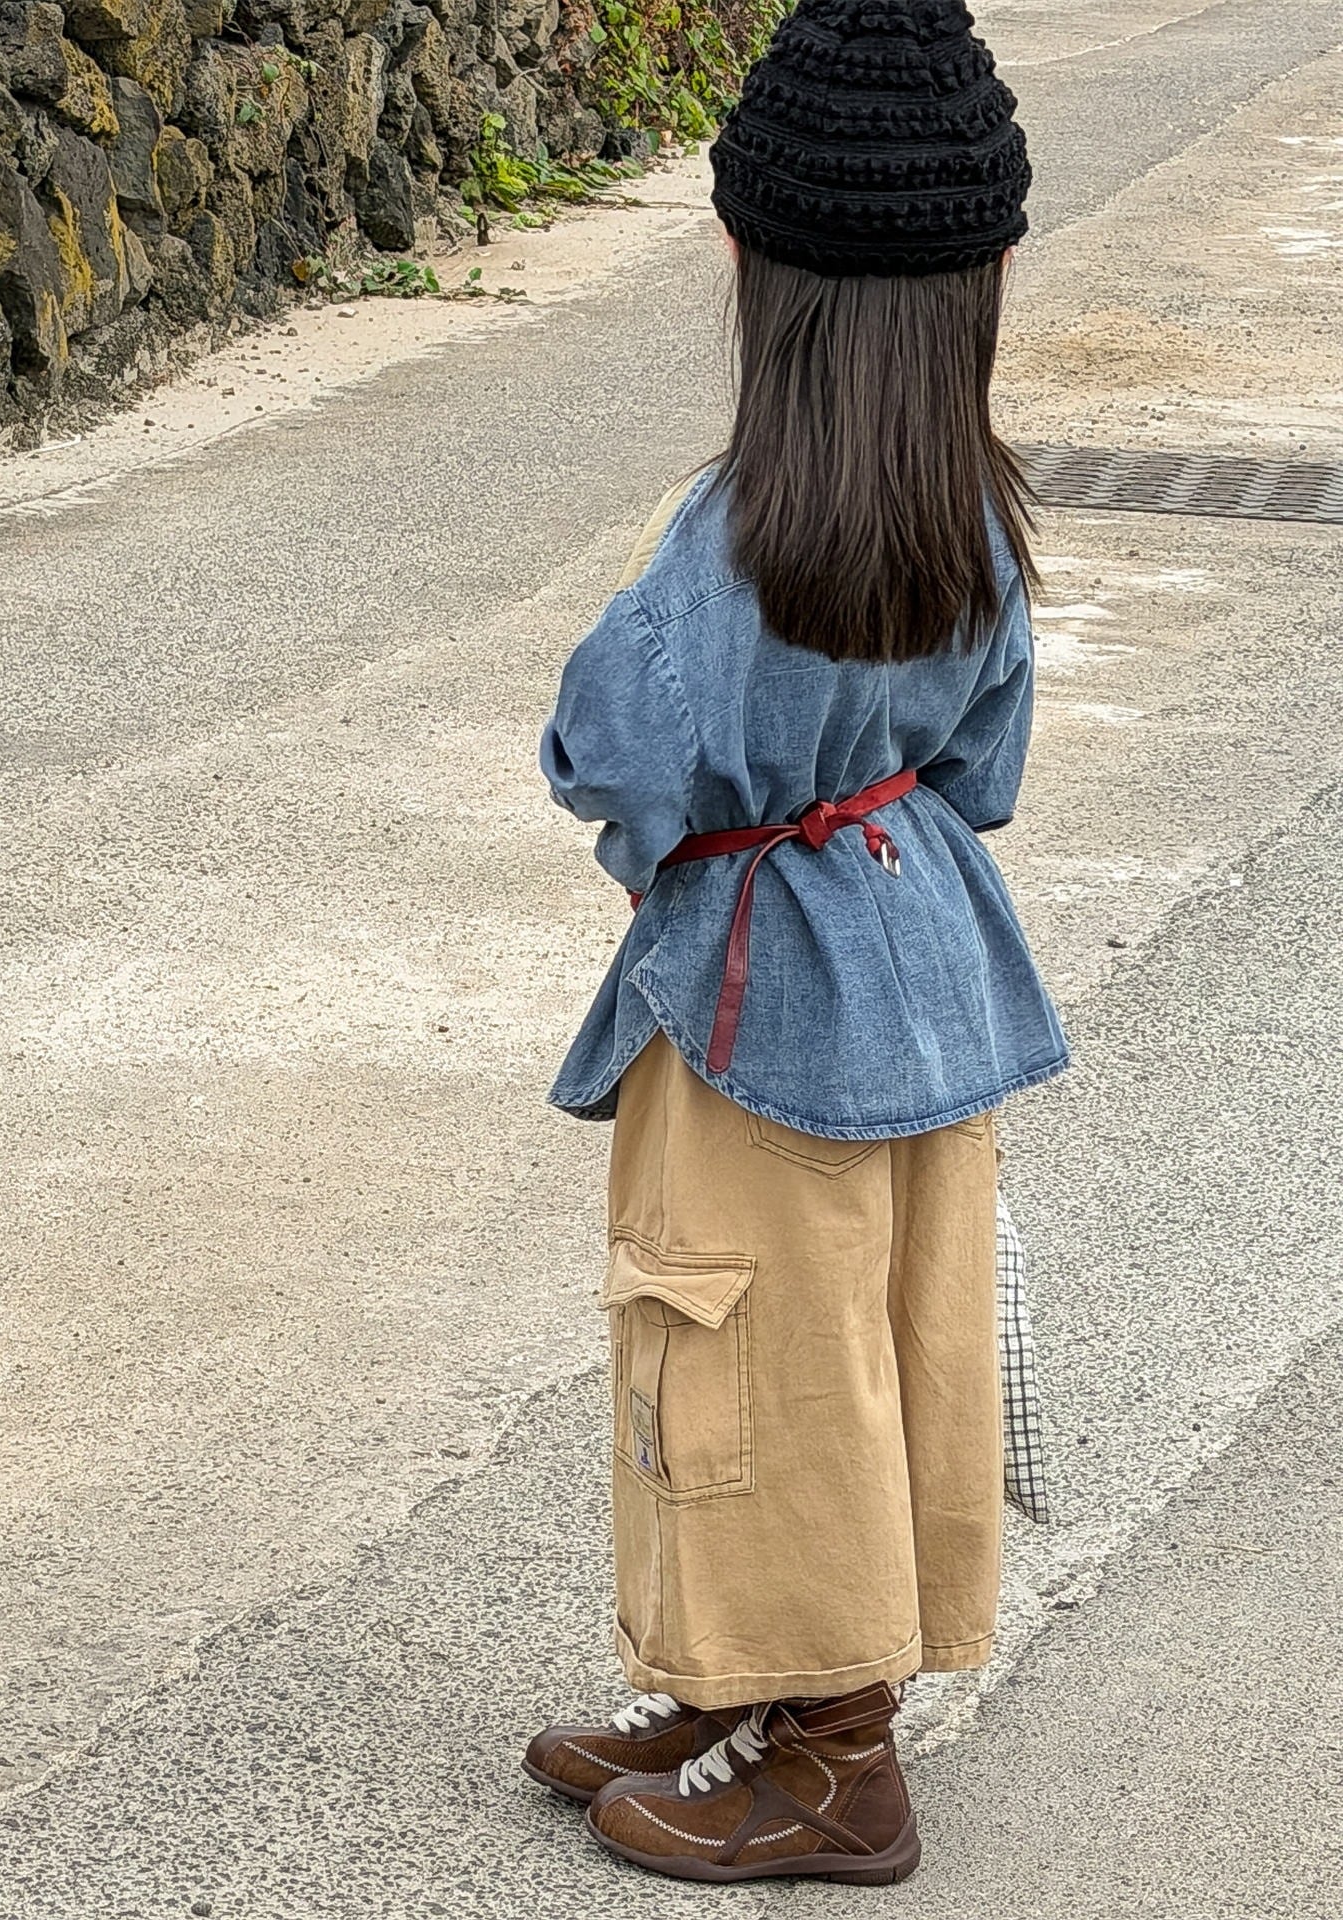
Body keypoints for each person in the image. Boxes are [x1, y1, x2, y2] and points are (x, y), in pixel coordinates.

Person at [520, 0, 1067, 1886]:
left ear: (754, 271)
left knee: (744, 1349)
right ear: (983, 285)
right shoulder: (977, 514)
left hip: (759, 989)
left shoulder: (739, 533)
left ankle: (837, 1759)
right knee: (894, 1333)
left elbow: (607, 746)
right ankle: (739, 1685)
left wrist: (696, 826)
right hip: (932, 969)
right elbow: (985, 766)